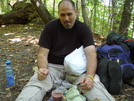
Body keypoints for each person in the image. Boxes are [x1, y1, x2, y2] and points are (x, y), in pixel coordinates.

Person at [15, 0, 115, 101]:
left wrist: (89, 76)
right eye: (62, 15)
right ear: (58, 14)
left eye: (69, 14)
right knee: (36, 84)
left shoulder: (83, 29)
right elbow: (42, 54)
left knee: (94, 86)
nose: (66, 18)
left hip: (77, 70)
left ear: (76, 12)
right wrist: (42, 69)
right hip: (53, 68)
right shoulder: (50, 28)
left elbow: (92, 55)